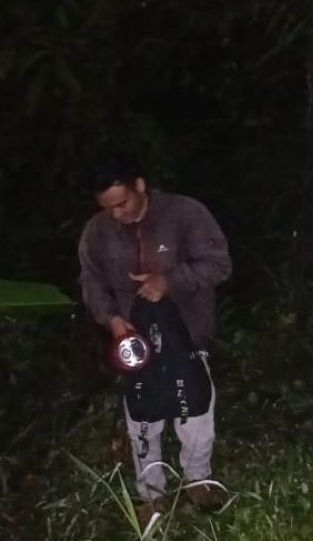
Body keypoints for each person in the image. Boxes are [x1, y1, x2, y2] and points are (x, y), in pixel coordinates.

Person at [78, 156, 232, 518]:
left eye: (122, 203)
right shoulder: (97, 233)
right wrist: (112, 320)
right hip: (134, 342)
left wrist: (169, 281)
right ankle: (151, 493)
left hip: (187, 334)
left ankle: (198, 480)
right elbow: (91, 283)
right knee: (142, 415)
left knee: (195, 408)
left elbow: (218, 265)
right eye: (108, 208)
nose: (116, 213)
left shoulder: (185, 214)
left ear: (140, 186)